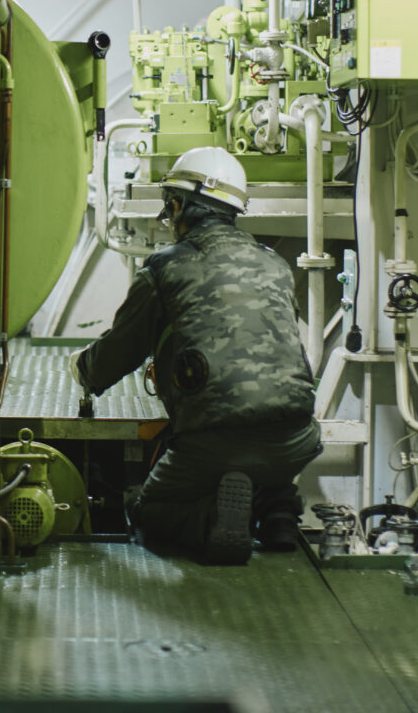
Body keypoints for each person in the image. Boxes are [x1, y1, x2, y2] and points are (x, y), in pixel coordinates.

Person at [68, 146, 322, 564]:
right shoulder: (274, 264)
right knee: (262, 446)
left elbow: (120, 351)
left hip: (215, 438)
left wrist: (84, 370)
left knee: (148, 512)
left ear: (178, 205)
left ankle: (216, 520)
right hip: (298, 436)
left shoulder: (165, 267)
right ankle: (278, 512)